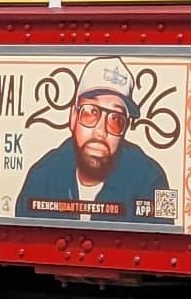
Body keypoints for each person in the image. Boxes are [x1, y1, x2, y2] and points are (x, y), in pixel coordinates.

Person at [15, 57, 172, 221]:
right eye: (90, 112)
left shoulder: (154, 179)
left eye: (115, 119)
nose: (100, 131)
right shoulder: (41, 176)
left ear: (125, 129)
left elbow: (165, 239)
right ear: (73, 117)